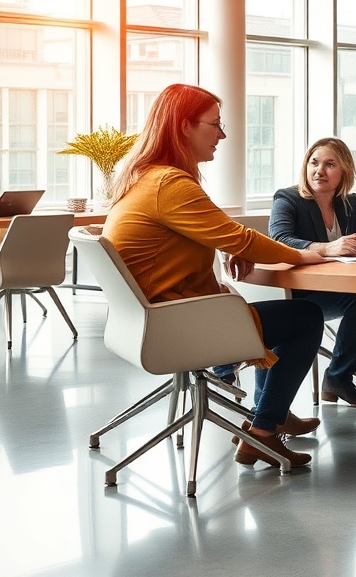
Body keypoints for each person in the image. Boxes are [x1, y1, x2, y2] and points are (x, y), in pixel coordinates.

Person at [103, 84, 326, 469]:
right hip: (178, 324)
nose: (222, 135)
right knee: (307, 317)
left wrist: (227, 245)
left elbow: (209, 233)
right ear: (184, 126)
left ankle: (271, 412)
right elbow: (240, 235)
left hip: (144, 321)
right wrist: (307, 254)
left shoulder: (145, 178)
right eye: (215, 125)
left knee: (289, 314)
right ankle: (263, 429)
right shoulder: (170, 184)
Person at [269, 138, 356, 407]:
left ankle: (338, 377)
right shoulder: (288, 198)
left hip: (339, 289)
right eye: (314, 162)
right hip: (299, 292)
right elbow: (279, 239)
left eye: (330, 164)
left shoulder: (349, 203)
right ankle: (338, 380)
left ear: (344, 172)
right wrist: (328, 248)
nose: (319, 170)